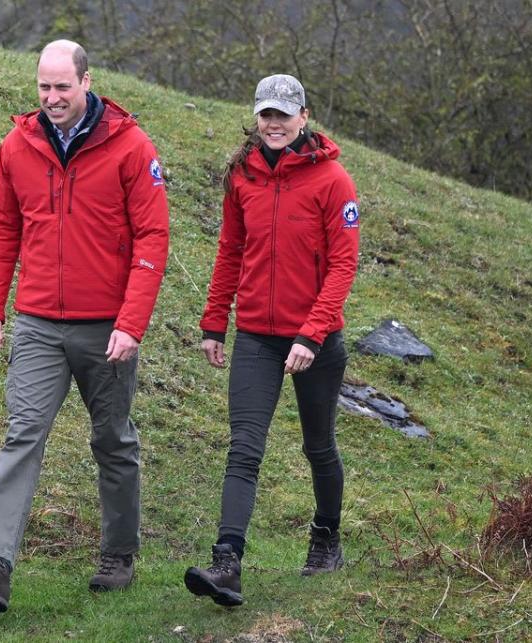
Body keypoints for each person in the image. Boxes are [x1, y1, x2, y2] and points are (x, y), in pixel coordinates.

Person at [0, 39, 170, 613]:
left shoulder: (130, 147)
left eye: (62, 87)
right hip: (39, 323)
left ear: (86, 82)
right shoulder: (17, 146)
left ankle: (119, 554)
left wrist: (131, 324)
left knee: (112, 440)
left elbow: (153, 239)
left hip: (107, 328)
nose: (51, 98)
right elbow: (2, 229)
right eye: (43, 87)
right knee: (23, 433)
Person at [184, 74, 359, 607]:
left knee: (318, 446)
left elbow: (343, 266)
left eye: (284, 114)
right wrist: (215, 321)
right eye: (267, 114)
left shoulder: (334, 181)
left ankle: (326, 539)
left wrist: (312, 333)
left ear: (304, 117)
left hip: (317, 342)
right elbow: (230, 250)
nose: (275, 124)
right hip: (256, 336)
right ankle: (227, 564)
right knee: (244, 449)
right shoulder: (242, 176)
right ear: (257, 118)